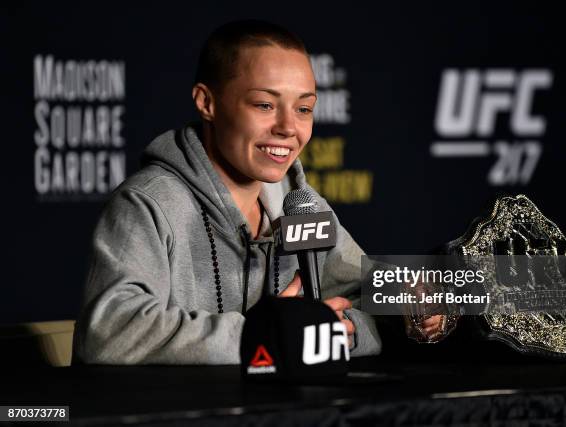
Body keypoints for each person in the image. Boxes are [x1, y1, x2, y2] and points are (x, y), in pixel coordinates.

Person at [73, 20, 386, 365]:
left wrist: (336, 333)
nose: (287, 127)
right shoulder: (149, 203)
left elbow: (372, 301)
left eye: (304, 109)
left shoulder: (297, 203)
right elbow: (110, 334)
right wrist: (265, 337)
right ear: (207, 102)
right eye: (265, 105)